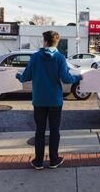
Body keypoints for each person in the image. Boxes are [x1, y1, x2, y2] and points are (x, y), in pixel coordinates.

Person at [16, 30, 82, 170]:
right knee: (54, 130)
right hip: (55, 100)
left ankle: (38, 161)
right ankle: (54, 160)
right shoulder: (60, 58)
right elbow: (66, 78)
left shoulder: (35, 57)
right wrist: (78, 77)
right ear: (56, 42)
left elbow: (25, 77)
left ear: (45, 41)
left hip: (39, 100)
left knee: (39, 131)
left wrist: (17, 75)